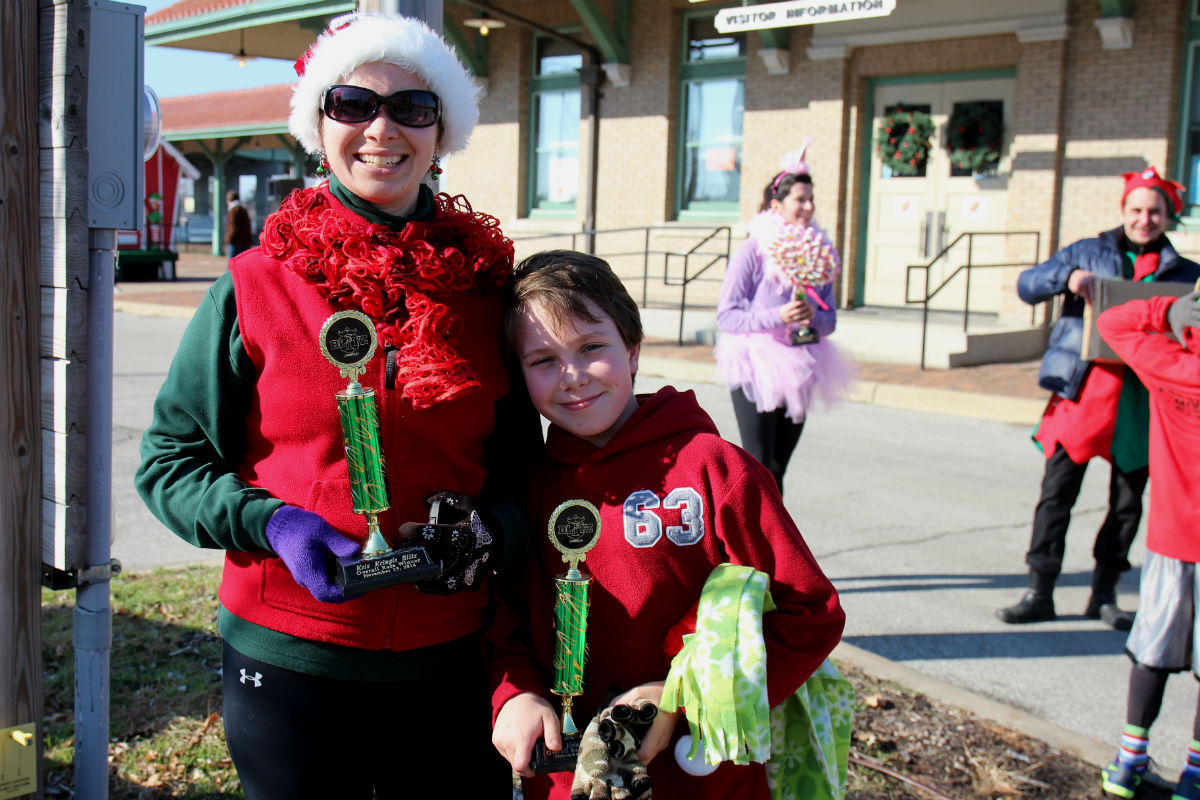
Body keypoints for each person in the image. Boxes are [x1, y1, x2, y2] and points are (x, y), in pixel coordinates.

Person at [135, 14, 539, 799]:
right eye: (353, 103)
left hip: (452, 656)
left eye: (413, 108)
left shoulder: (492, 293)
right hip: (290, 656)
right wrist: (272, 523)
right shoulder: (253, 282)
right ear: (319, 127)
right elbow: (170, 463)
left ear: (442, 131)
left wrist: (496, 531)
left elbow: (529, 469)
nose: (382, 128)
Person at [489, 250, 845, 800]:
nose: (573, 376)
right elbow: (505, 617)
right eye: (543, 361)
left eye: (591, 348)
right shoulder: (532, 485)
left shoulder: (713, 467)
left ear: (632, 350)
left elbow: (810, 612)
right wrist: (515, 693)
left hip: (700, 776)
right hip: (567, 778)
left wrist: (682, 697)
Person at [996, 167, 1200, 629]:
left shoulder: (1189, 275)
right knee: (1056, 496)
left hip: (1142, 402)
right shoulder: (1088, 251)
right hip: (1084, 393)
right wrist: (1066, 277)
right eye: (1136, 210)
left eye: (1154, 212)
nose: (1144, 220)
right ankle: (1039, 590)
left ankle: (1104, 593)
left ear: (1168, 217)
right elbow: (1028, 285)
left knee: (1127, 504)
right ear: (1123, 211)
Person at [1095, 291, 1200, 800]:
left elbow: (1114, 321)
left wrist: (1167, 311)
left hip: (1171, 536)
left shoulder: (1168, 365)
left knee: (1153, 648)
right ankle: (1195, 776)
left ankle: (1127, 764)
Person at [713, 141, 853, 492]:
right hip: (755, 363)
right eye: (799, 200)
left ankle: (776, 542)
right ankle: (751, 541)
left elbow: (829, 320)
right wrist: (779, 314)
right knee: (758, 463)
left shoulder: (818, 252)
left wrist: (809, 319)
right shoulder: (754, 250)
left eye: (810, 200)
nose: (808, 207)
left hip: (801, 361)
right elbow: (727, 316)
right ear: (776, 205)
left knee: (778, 466)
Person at [224, 189, 252, 259]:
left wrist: (228, 239)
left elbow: (232, 227)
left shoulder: (233, 210)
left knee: (231, 265)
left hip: (235, 242)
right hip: (245, 242)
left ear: (228, 200)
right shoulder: (243, 209)